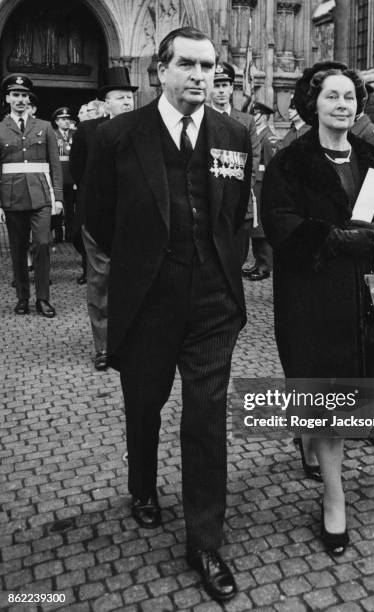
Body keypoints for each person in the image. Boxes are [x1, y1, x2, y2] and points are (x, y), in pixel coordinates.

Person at [85, 27, 252, 603]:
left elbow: (234, 218)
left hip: (213, 302)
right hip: (149, 301)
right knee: (146, 403)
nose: (201, 76)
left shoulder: (235, 134)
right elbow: (97, 216)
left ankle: (205, 541)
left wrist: (216, 268)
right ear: (159, 70)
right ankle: (142, 487)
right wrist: (144, 262)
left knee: (206, 419)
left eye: (209, 66)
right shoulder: (117, 136)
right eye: (188, 65)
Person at [262, 62, 374, 556]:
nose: (344, 105)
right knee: (325, 396)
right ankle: (334, 496)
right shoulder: (290, 162)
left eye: (350, 97)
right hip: (312, 299)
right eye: (332, 97)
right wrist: (335, 237)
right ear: (312, 104)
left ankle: (311, 442)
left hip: (364, 299)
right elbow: (279, 223)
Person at [70, 66, 137, 370]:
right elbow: (78, 172)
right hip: (97, 219)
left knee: (132, 281)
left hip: (134, 219)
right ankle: (103, 348)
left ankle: (129, 340)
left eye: (129, 97)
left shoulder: (143, 130)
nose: (127, 102)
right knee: (100, 283)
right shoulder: (88, 131)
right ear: (105, 102)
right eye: (120, 97)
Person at [0, 74, 62, 318]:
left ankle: (43, 299)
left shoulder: (44, 127)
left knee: (43, 243)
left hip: (41, 196)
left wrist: (57, 198)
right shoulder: (1, 128)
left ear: (30, 99)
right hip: (12, 196)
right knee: (17, 248)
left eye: (24, 95)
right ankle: (23, 298)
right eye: (15, 95)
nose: (20, 100)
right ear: (7, 98)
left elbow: (55, 165)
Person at [208, 61, 260, 266]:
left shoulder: (246, 121)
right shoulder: (201, 118)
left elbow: (253, 161)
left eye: (225, 85)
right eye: (216, 85)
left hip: (239, 205)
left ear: (231, 88)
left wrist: (238, 192)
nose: (221, 91)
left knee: (236, 262)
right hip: (210, 204)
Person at [243, 101, 279, 281]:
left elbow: (273, 165)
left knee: (262, 227)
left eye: (255, 114)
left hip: (263, 186)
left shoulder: (268, 137)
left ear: (264, 116)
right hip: (255, 185)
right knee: (255, 227)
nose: (253, 117)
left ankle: (265, 265)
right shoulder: (256, 134)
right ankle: (258, 262)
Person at [51, 107, 76, 242]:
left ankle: (70, 234)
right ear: (56, 121)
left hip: (72, 176)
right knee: (57, 206)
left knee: (71, 207)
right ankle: (58, 234)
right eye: (63, 119)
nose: (66, 122)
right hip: (58, 175)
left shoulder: (76, 133)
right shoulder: (52, 134)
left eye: (68, 119)